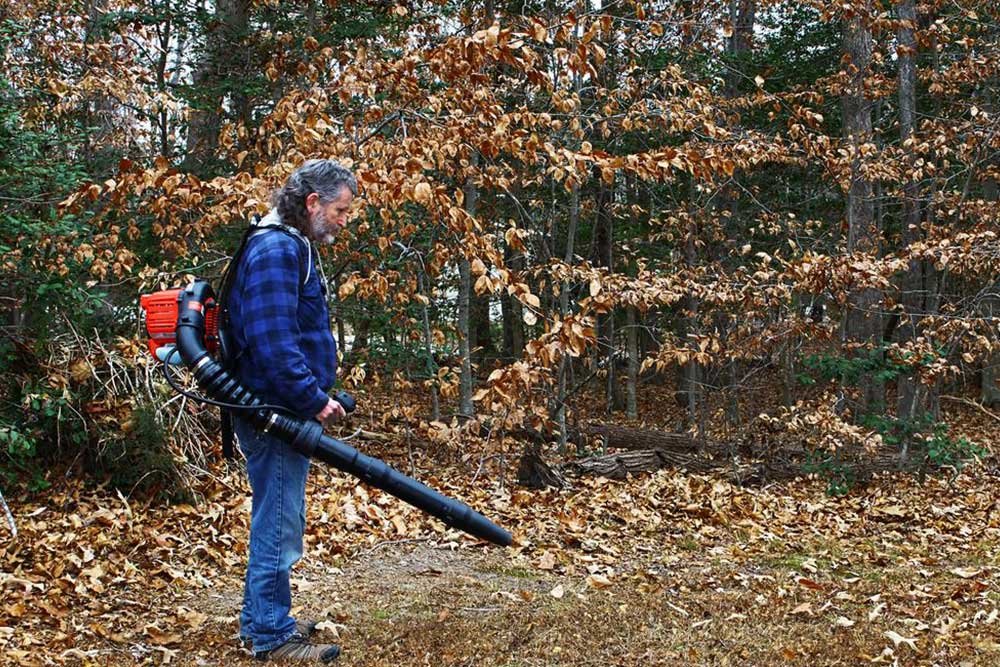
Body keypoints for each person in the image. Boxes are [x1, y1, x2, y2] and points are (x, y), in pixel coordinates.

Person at [228, 159, 356, 663]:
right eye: (340, 210)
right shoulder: (278, 247)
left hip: (278, 406)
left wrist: (320, 393)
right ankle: (271, 636)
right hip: (274, 411)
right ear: (312, 203)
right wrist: (312, 399)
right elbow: (274, 343)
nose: (344, 221)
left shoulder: (287, 244)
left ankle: (261, 618)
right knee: (279, 523)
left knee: (277, 518)